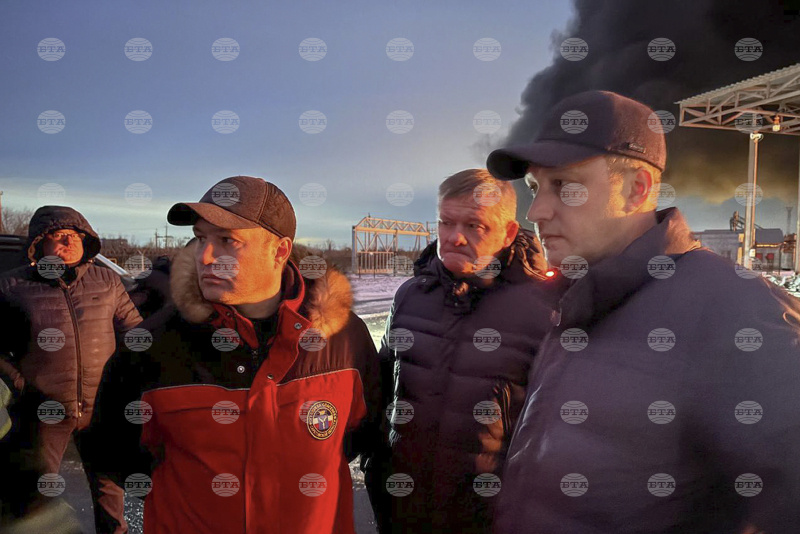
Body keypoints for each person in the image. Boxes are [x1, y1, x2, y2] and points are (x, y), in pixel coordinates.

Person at [485, 90, 800, 534]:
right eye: (535, 188)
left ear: (637, 189)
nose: (536, 210)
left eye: (564, 186)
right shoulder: (579, 298)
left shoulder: (742, 314)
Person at [87, 176, 381, 534]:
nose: (205, 256)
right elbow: (114, 454)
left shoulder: (344, 338)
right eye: (201, 238)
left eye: (227, 240)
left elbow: (359, 437)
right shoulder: (152, 345)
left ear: (280, 251)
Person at [365, 169, 557, 534]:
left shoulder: (543, 311)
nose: (454, 237)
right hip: (402, 512)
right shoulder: (409, 296)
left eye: (474, 225)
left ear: (508, 233)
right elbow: (381, 391)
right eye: (446, 222)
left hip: (488, 520)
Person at [0, 206, 142, 534]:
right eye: (59, 236)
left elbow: (135, 333)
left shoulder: (107, 281)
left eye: (76, 236)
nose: (69, 242)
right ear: (39, 243)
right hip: (44, 409)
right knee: (36, 498)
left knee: (110, 494)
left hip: (101, 408)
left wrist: (126, 380)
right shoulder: (11, 286)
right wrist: (21, 384)